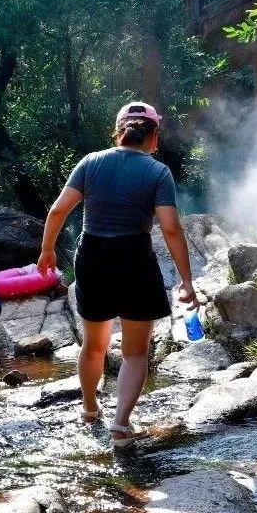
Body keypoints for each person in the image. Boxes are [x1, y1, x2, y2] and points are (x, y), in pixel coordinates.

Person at [37, 102, 200, 448]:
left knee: (93, 345)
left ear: (119, 130)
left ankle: (90, 409)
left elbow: (57, 210)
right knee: (135, 353)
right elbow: (171, 229)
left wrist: (47, 251)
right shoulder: (158, 173)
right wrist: (186, 281)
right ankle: (121, 426)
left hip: (93, 258)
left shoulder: (91, 162)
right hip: (134, 260)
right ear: (153, 136)